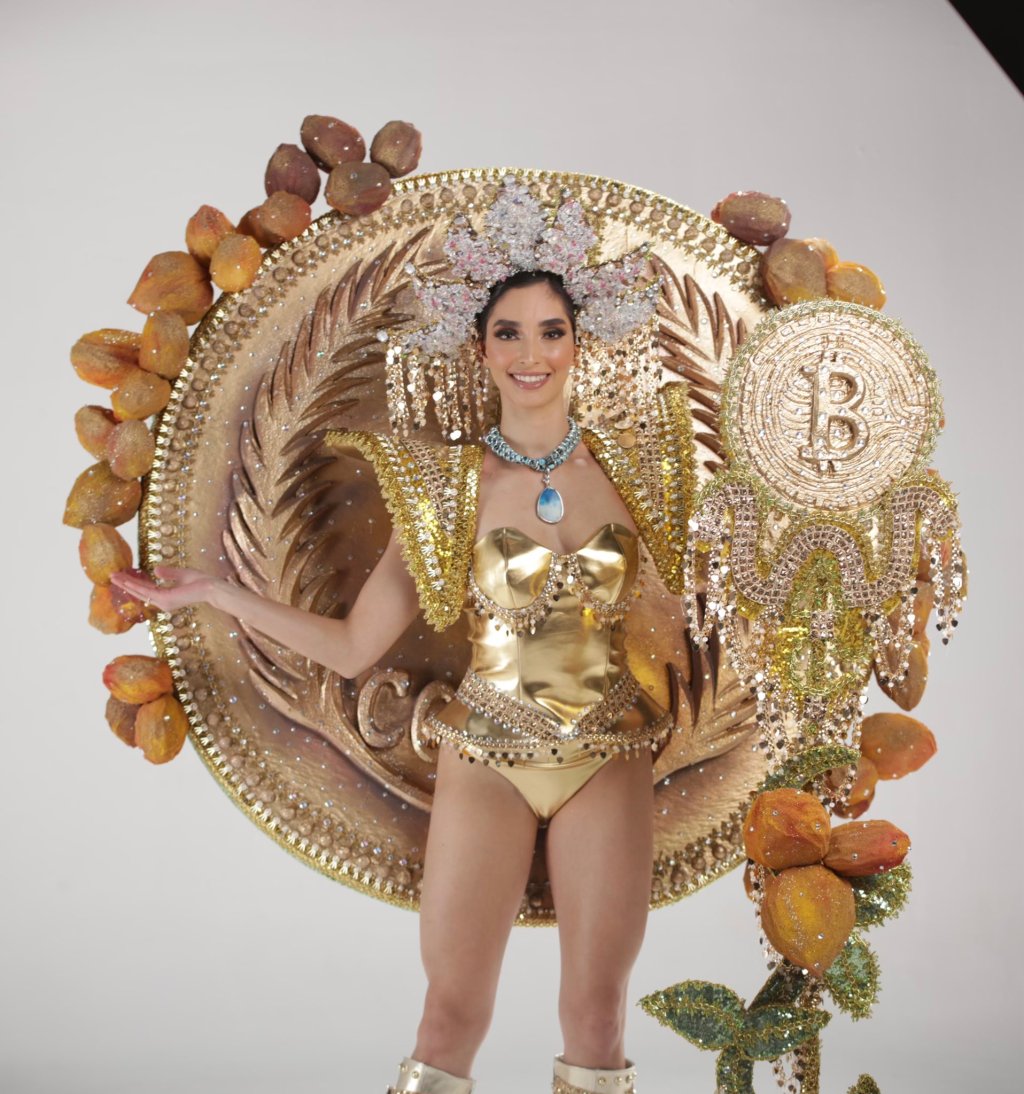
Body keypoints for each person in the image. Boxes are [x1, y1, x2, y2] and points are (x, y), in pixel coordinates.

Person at [112, 178, 694, 1094]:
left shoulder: (643, 464)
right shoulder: (446, 486)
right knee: (449, 1018)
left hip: (609, 752)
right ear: (481, 347)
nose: (531, 353)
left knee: (597, 1017)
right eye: (509, 333)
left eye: (551, 331)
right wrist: (220, 592)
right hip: (488, 754)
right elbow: (353, 648)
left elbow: (728, 586)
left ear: (579, 343)